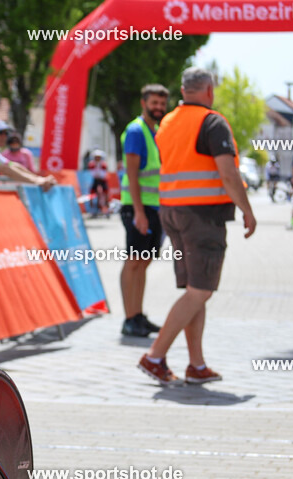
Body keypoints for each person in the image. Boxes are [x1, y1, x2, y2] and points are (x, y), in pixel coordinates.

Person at [138, 67, 256, 385]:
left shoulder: (168, 122)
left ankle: (196, 365)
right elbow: (228, 174)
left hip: (171, 212)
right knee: (200, 290)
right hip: (203, 216)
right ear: (209, 90)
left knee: (194, 291)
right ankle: (154, 357)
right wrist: (247, 209)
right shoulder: (212, 121)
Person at [118, 84, 169, 338]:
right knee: (134, 261)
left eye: (162, 104)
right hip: (137, 207)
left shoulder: (156, 131)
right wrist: (138, 212)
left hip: (154, 207)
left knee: (143, 262)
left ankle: (137, 315)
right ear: (144, 103)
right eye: (154, 103)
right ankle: (129, 318)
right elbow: (132, 173)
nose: (158, 108)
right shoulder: (137, 131)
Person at [0, 119, 55, 190]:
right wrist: (38, 181)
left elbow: (12, 166)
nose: (4, 136)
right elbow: (5, 169)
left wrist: (39, 179)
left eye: (6, 133)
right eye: (0, 132)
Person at [88, 150, 110, 216]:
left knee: (105, 193)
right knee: (92, 193)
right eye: (96, 157)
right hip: (95, 180)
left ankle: (106, 209)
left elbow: (103, 173)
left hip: (102, 180)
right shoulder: (92, 164)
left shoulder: (103, 164)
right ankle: (93, 210)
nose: (97, 158)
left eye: (98, 157)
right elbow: (93, 173)